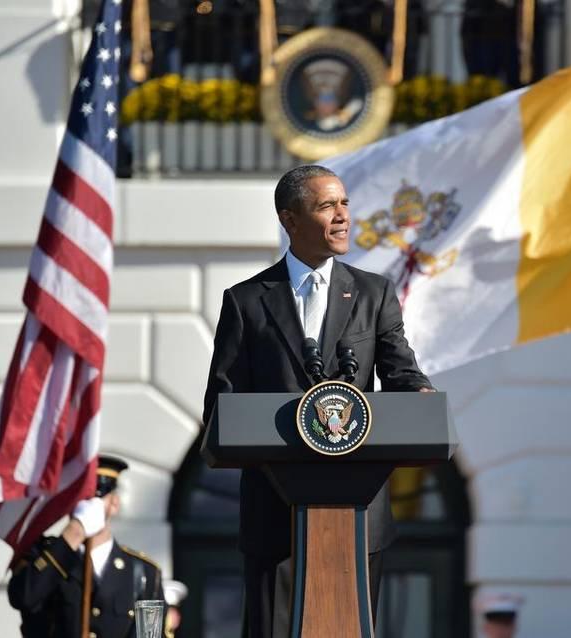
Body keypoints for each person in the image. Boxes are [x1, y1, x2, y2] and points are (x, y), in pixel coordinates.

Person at [202, 164, 434, 638]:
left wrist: (420, 396)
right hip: (275, 522)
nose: (343, 216)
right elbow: (221, 408)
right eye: (327, 206)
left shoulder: (374, 293)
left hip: (357, 517)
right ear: (289, 220)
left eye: (344, 203)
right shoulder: (246, 302)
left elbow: (401, 372)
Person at [7, 455, 164, 638]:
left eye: (95, 497)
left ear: (114, 504)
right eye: (78, 498)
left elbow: (151, 635)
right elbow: (24, 598)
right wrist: (74, 533)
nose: (86, 506)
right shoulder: (41, 556)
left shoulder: (145, 573)